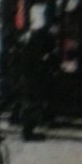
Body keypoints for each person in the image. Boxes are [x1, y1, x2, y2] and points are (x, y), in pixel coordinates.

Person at [18, 11, 57, 140]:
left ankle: (28, 130)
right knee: (32, 102)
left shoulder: (28, 36)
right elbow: (43, 54)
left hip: (27, 74)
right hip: (33, 75)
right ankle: (28, 131)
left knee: (30, 102)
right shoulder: (38, 36)